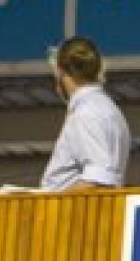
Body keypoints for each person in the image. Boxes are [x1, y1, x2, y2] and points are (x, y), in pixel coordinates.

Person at [37, 36, 130, 191]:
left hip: (72, 213)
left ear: (60, 72)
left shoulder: (87, 112)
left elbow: (98, 178)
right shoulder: (109, 109)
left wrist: (53, 204)